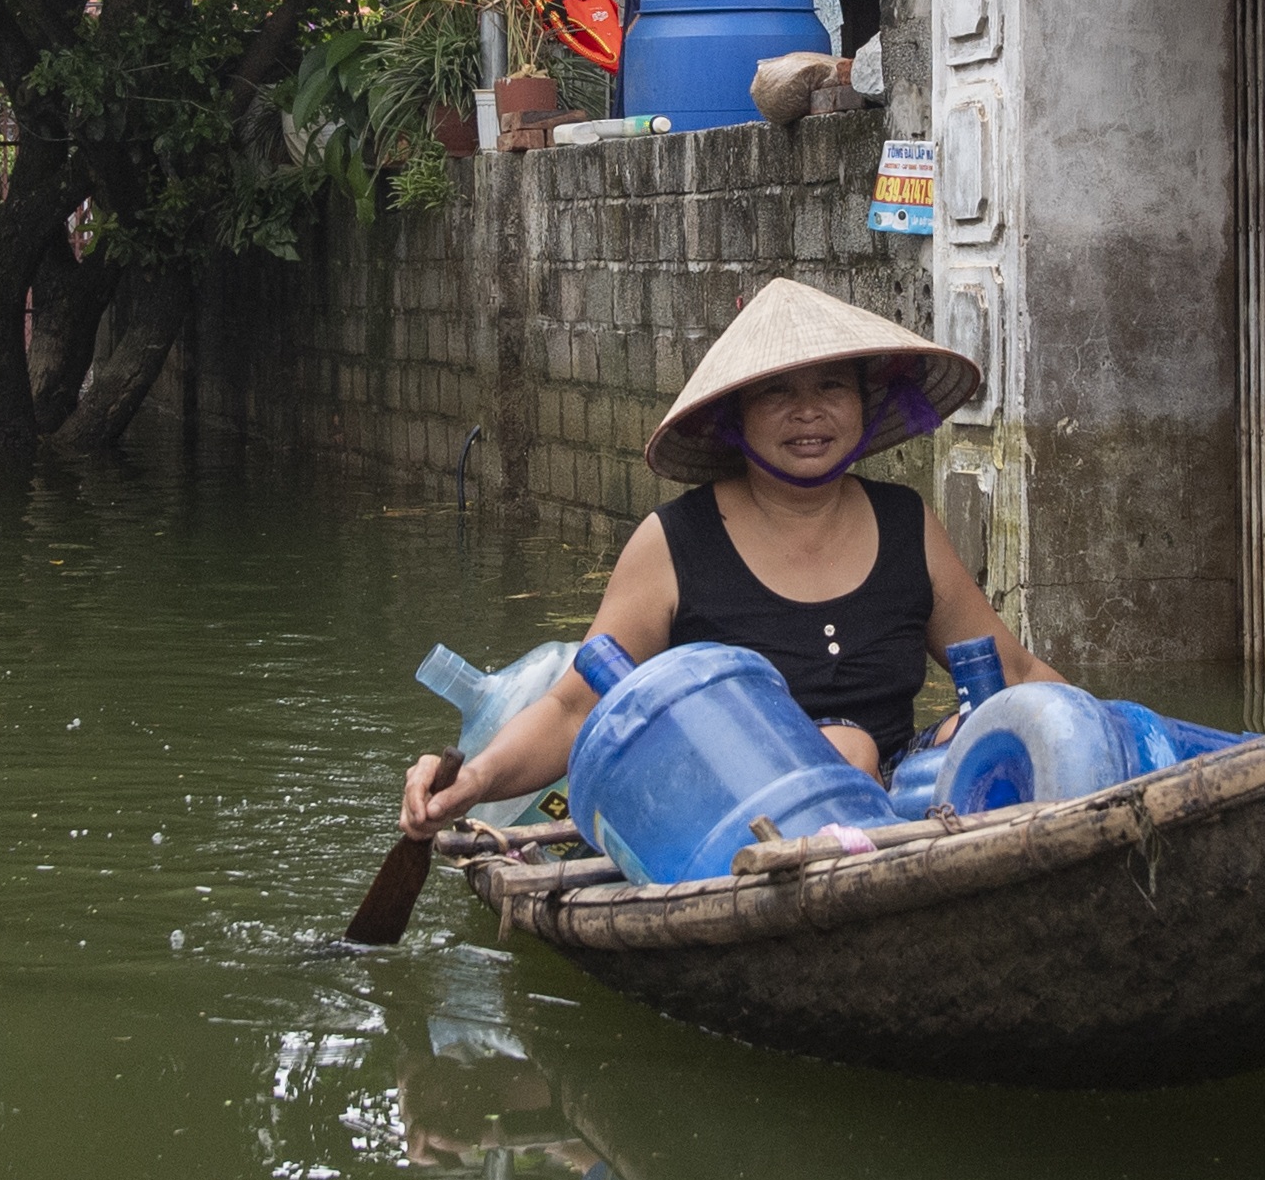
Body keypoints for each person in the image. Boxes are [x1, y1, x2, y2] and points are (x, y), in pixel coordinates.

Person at [399, 280, 1062, 837]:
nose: (808, 412)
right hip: (733, 818)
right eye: (777, 391)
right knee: (844, 748)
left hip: (887, 805)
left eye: (831, 385)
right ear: (734, 416)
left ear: (864, 403)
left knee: (981, 729)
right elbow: (578, 708)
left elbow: (1015, 669)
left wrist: (1120, 739)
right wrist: (475, 777)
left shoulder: (906, 522)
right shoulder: (673, 543)